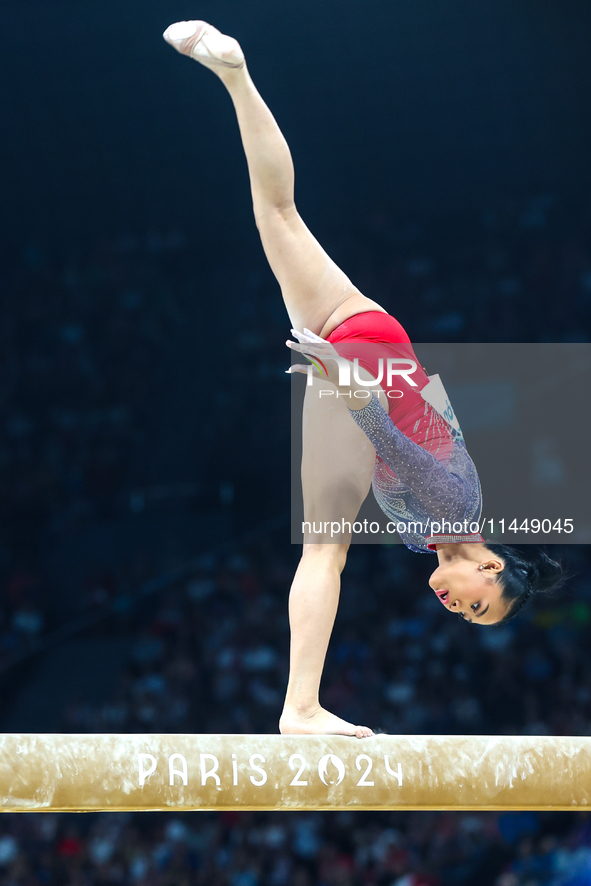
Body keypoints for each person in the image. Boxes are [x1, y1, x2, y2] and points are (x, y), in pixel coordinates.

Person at [163, 21, 564, 736]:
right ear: (492, 566)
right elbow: (397, 441)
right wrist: (341, 377)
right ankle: (300, 707)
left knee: (277, 211)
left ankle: (233, 73)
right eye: (478, 602)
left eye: (468, 615)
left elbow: (433, 415)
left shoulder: (437, 529)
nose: (458, 607)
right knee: (324, 550)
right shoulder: (455, 511)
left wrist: (382, 372)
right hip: (361, 375)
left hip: (375, 336)